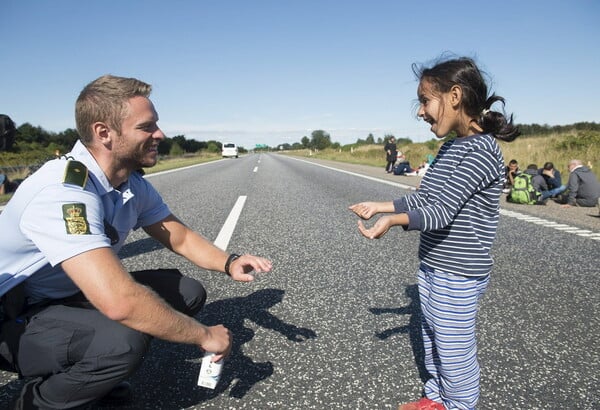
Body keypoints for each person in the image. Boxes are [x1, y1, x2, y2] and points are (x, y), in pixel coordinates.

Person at [0, 74, 272, 409]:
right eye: (147, 127)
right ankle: (32, 402)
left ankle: (93, 371)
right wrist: (205, 336)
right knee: (122, 341)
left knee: (187, 292)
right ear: (104, 133)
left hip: (66, 295)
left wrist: (230, 261)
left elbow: (180, 236)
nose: (160, 134)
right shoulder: (63, 192)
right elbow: (120, 303)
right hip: (13, 316)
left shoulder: (129, 183)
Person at [349, 56, 519, 410]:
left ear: (454, 96)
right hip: (434, 264)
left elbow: (440, 213)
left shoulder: (482, 152)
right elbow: (426, 197)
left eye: (425, 101)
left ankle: (459, 405)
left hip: (458, 272)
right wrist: (381, 206)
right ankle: (436, 399)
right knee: (431, 338)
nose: (420, 112)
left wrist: (393, 222)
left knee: (454, 351)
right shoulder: (452, 147)